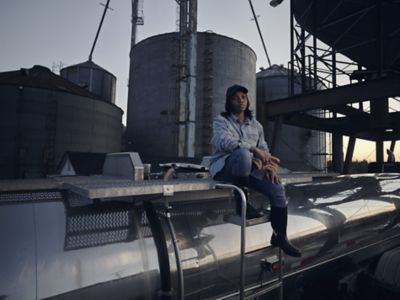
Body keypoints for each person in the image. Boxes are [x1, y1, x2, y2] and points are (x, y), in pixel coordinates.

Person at [209, 84, 301, 258]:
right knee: (243, 154)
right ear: (229, 102)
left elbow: (265, 150)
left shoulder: (256, 125)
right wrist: (253, 149)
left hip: (249, 169)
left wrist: (270, 169)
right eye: (235, 98)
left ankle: (280, 236)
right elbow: (223, 142)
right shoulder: (221, 121)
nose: (240, 101)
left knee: (277, 189)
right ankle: (241, 201)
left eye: (243, 97)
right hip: (225, 168)